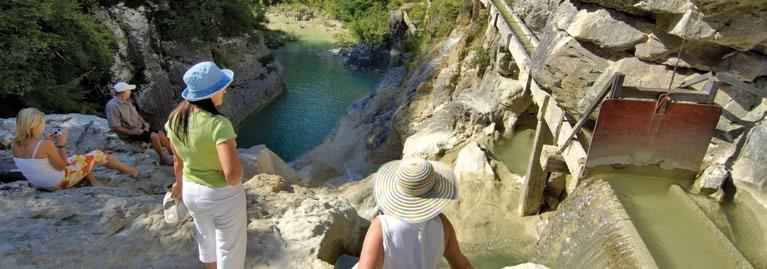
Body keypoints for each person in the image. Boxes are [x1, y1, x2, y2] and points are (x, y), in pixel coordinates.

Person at [166, 61, 246, 269]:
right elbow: (233, 175)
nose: (225, 91)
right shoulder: (219, 125)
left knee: (204, 236)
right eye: (222, 87)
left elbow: (178, 161)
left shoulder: (174, 119)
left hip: (191, 191)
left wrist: (178, 185)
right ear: (211, 93)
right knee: (230, 246)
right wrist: (229, 173)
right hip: (220, 195)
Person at [356, 157, 474, 269]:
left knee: (344, 261)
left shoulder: (382, 226)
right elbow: (462, 266)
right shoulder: (443, 224)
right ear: (434, 193)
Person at [11, 108, 139, 191]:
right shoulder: (44, 145)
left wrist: (49, 142)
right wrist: (61, 145)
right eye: (42, 122)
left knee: (78, 158)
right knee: (97, 154)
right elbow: (61, 166)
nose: (43, 125)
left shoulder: (14, 143)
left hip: (38, 184)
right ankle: (131, 170)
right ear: (35, 125)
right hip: (56, 183)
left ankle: (93, 181)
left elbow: (37, 162)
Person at [106, 81, 174, 165]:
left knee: (160, 133)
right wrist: (130, 131)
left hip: (139, 126)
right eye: (129, 91)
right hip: (129, 131)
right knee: (154, 136)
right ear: (123, 93)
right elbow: (114, 126)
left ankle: (174, 154)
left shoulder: (128, 101)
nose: (130, 92)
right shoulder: (112, 106)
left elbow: (136, 114)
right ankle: (162, 158)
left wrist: (144, 123)